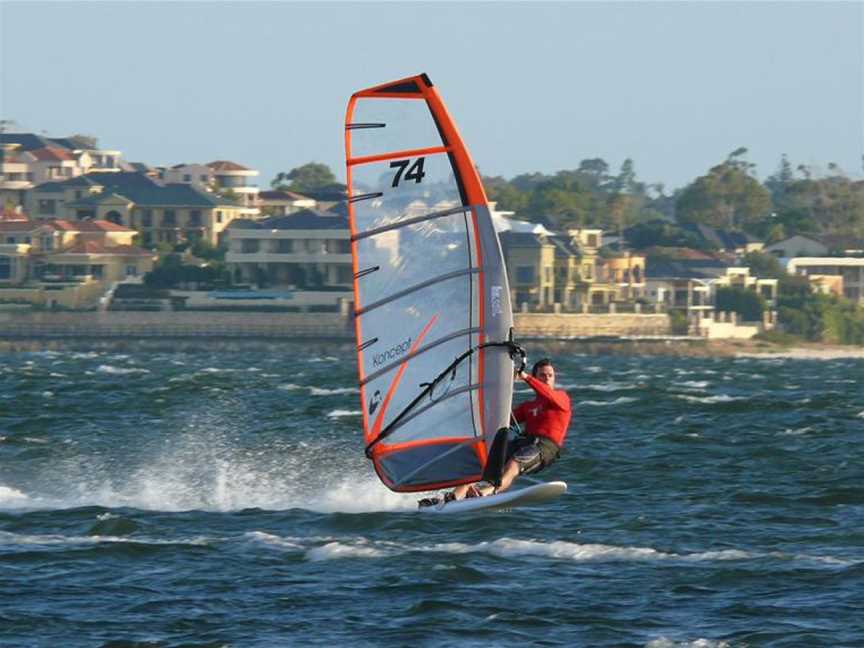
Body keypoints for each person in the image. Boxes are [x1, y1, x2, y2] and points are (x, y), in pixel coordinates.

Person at [450, 357, 571, 501]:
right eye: (542, 375)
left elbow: (548, 394)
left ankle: (488, 492)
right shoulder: (528, 406)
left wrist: (525, 376)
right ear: (536, 377)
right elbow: (502, 419)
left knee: (514, 463)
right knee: (484, 459)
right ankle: (454, 495)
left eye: (550, 376)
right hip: (525, 443)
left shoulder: (561, 398)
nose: (547, 379)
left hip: (545, 447)